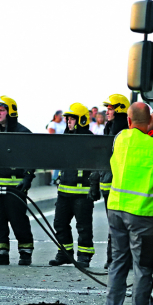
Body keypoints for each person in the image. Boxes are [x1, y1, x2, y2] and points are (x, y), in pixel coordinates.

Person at [105, 102, 153, 305]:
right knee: (142, 268)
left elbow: (143, 122)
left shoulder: (120, 138)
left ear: (129, 121)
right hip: (142, 215)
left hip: (116, 211)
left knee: (118, 264)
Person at [48, 103, 99, 268]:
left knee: (83, 227)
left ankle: (84, 256)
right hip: (64, 192)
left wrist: (94, 186)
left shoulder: (89, 139)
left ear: (81, 120)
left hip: (83, 193)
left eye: (72, 119)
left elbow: (96, 164)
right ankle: (64, 253)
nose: (68, 122)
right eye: (68, 119)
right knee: (60, 223)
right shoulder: (65, 138)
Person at [0, 96, 35, 266]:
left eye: (2, 110)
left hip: (16, 186)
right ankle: (1, 253)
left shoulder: (22, 133)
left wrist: (28, 177)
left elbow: (32, 158)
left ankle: (25, 252)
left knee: (18, 219)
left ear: (11, 112)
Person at [99, 93, 130, 269]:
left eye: (110, 109)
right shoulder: (109, 128)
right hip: (107, 184)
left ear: (119, 110)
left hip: (119, 185)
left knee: (119, 224)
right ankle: (113, 258)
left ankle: (116, 258)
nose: (107, 112)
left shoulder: (124, 133)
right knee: (114, 224)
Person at [46, 110, 66, 185]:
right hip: (56, 146)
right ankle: (54, 179)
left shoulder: (63, 124)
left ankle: (58, 178)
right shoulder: (52, 124)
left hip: (63, 145)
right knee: (57, 164)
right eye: (60, 115)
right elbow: (52, 136)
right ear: (56, 116)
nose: (61, 117)